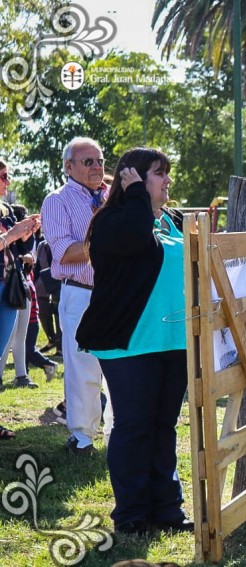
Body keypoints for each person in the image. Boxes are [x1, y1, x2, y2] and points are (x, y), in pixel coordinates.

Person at [76, 148, 192, 536]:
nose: (168, 180)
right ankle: (131, 514)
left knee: (164, 426)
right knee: (134, 427)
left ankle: (167, 510)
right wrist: (139, 195)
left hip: (172, 343)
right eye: (160, 174)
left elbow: (203, 249)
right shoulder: (112, 221)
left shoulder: (170, 222)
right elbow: (135, 241)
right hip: (129, 344)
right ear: (135, 179)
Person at [41, 137, 114, 456]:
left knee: (120, 366)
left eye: (100, 161)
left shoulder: (113, 197)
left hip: (118, 295)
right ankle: (82, 437)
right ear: (68, 167)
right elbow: (64, 253)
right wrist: (109, 242)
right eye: (89, 162)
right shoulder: (56, 201)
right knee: (83, 365)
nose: (97, 167)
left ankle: (117, 434)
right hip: (80, 294)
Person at [0, 159, 42, 439]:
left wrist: (24, 235)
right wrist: (11, 235)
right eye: (3, 176)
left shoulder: (4, 209)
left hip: (6, 284)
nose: (8, 181)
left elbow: (17, 244)